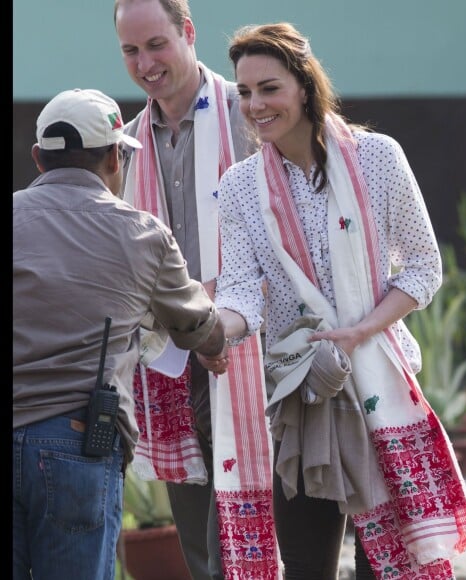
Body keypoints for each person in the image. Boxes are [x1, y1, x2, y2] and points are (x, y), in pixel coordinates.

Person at [212, 22, 466, 579]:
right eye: (244, 92)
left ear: (304, 87)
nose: (254, 105)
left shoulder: (378, 157)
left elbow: (425, 267)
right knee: (307, 563)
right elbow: (242, 291)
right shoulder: (240, 186)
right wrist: (211, 327)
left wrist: (362, 330)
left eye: (269, 88)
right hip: (303, 392)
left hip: (379, 382)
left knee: (387, 566)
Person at [13, 88, 229, 580]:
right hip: (78, 445)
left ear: (37, 159)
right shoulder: (142, 234)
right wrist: (217, 346)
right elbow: (197, 325)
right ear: (115, 156)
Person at [112, 2, 266, 579]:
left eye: (156, 44)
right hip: (172, 359)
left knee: (247, 531)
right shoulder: (125, 146)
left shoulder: (248, 114)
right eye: (131, 51)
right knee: (199, 539)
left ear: (189, 32)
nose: (146, 64)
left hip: (254, 347)